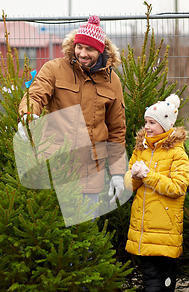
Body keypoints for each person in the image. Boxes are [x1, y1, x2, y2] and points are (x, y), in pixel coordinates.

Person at [18, 15, 127, 208]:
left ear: (100, 50)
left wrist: (118, 174)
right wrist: (28, 115)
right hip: (56, 167)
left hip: (91, 173)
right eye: (79, 47)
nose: (83, 53)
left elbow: (117, 130)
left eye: (90, 49)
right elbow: (35, 95)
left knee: (84, 227)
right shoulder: (55, 69)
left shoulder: (112, 82)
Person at [124, 94, 189, 292]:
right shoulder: (141, 149)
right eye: (146, 122)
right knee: (150, 267)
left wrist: (148, 176)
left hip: (166, 223)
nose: (147, 127)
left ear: (165, 125)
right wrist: (132, 176)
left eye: (152, 123)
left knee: (164, 268)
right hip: (144, 223)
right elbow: (128, 184)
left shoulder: (177, 153)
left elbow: (177, 187)